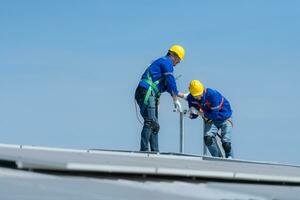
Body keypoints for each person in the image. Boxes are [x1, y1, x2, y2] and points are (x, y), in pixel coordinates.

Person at [135, 45, 186, 152]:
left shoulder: (162, 63)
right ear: (172, 55)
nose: (178, 62)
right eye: (178, 59)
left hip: (146, 92)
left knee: (154, 125)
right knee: (150, 122)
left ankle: (154, 151)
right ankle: (144, 151)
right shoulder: (166, 62)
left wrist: (184, 96)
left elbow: (167, 86)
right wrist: (175, 99)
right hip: (147, 92)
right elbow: (171, 80)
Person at [185, 80, 233, 158]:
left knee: (226, 143)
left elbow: (214, 115)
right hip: (210, 119)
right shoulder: (191, 98)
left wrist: (199, 113)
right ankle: (217, 158)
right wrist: (191, 114)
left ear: (203, 90)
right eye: (195, 96)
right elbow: (195, 113)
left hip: (224, 117)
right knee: (208, 139)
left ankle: (230, 158)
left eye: (199, 95)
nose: (198, 97)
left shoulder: (212, 95)